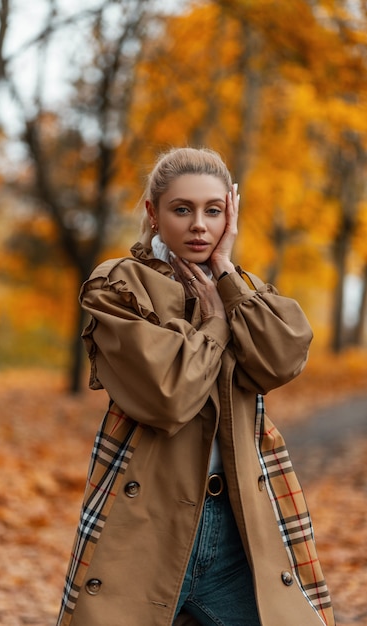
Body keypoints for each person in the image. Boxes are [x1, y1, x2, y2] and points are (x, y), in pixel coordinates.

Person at [56, 147, 335, 626]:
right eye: (181, 209)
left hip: (241, 527)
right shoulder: (120, 287)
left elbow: (283, 360)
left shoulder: (243, 288)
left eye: (214, 210)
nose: (199, 226)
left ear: (232, 213)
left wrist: (226, 276)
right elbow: (170, 396)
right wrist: (213, 322)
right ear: (153, 212)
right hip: (145, 524)